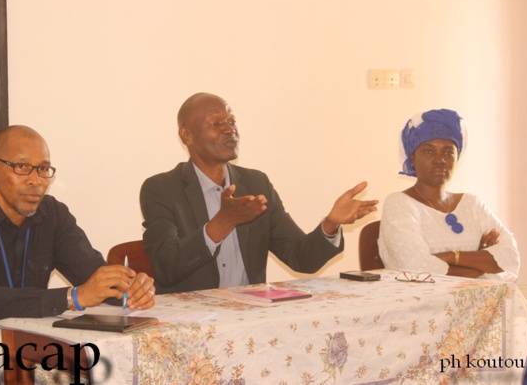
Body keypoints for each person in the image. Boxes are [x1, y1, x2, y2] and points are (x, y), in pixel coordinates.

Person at [0, 126, 156, 385]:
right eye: (22, 167)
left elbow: (94, 278)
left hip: (33, 357)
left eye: (43, 169)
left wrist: (128, 288)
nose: (35, 180)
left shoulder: (53, 215)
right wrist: (73, 297)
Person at [139, 92, 378, 294]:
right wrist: (221, 224)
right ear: (186, 135)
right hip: (193, 322)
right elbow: (166, 268)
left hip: (250, 316)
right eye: (216, 124)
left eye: (232, 121)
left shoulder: (256, 183)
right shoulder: (161, 189)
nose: (229, 130)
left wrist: (330, 224)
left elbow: (300, 258)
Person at [378, 109, 520, 281]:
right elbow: (415, 267)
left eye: (448, 152)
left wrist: (451, 256)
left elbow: (510, 258)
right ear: (412, 158)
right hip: (422, 303)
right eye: (428, 151)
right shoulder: (399, 204)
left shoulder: (472, 204)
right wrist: (480, 262)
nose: (440, 159)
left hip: (482, 300)